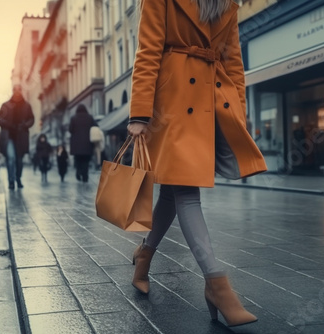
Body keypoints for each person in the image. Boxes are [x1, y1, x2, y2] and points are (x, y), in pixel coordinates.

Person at [127, 0, 267, 327]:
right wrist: (140, 113)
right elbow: (147, 51)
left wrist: (237, 116)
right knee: (186, 193)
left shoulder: (226, 4)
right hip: (171, 102)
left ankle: (143, 256)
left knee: (172, 192)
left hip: (208, 101)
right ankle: (217, 284)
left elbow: (234, 62)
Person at [0, 84, 34, 189]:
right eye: (15, 90)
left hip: (21, 137)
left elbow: (31, 119)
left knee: (19, 159)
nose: (17, 92)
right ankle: (11, 181)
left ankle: (18, 178)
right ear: (13, 91)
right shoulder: (6, 105)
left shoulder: (27, 105)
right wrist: (7, 124)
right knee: (11, 158)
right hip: (9, 136)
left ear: (21, 91)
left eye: (19, 90)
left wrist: (25, 125)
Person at [68, 104, 95, 182]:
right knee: (86, 161)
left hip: (76, 145)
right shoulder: (90, 117)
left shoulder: (73, 118)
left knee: (78, 160)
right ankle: (85, 177)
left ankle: (78, 172)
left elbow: (70, 129)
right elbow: (95, 126)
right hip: (88, 145)